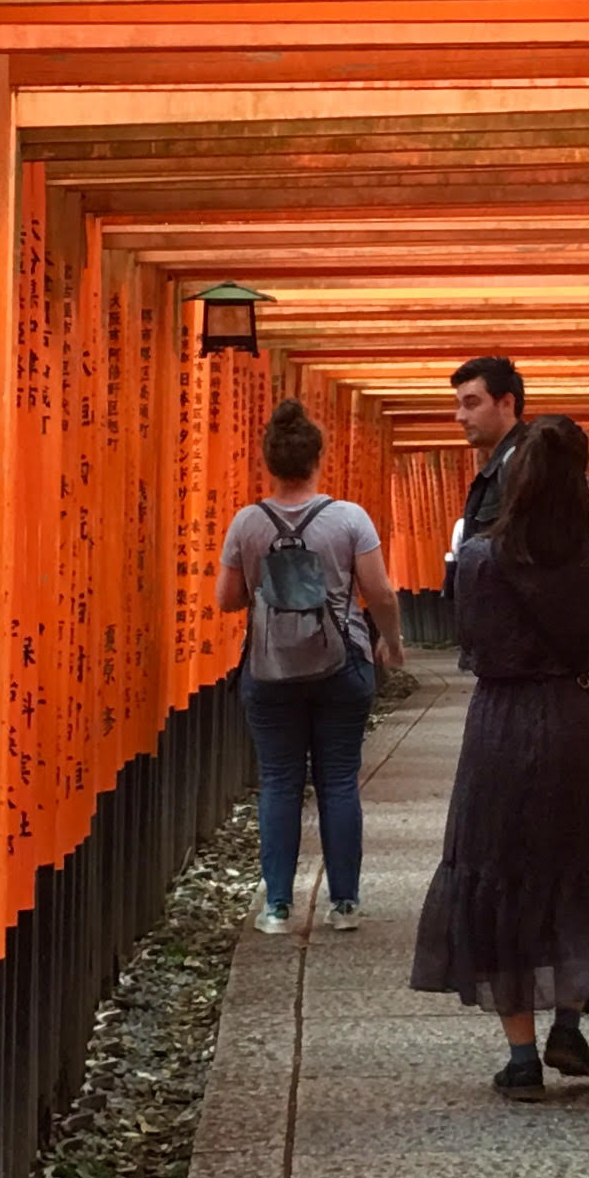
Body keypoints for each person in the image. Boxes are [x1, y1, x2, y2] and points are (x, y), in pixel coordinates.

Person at [412, 415, 589, 1096]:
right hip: (572, 721)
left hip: (500, 728)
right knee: (576, 869)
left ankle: (520, 1060)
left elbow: (470, 638)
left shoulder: (482, 559)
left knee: (500, 874)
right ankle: (567, 1025)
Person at [214, 397, 403, 937]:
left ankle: (277, 906)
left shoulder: (248, 523)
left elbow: (226, 598)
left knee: (278, 782)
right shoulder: (348, 519)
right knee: (339, 780)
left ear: (268, 463)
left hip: (269, 671)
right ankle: (343, 904)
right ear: (320, 458)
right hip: (341, 665)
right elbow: (380, 592)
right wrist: (390, 643)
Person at [449, 353, 525, 548]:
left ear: (507, 403)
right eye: (459, 405)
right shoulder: (506, 462)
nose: (460, 416)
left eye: (471, 404)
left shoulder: (525, 462)